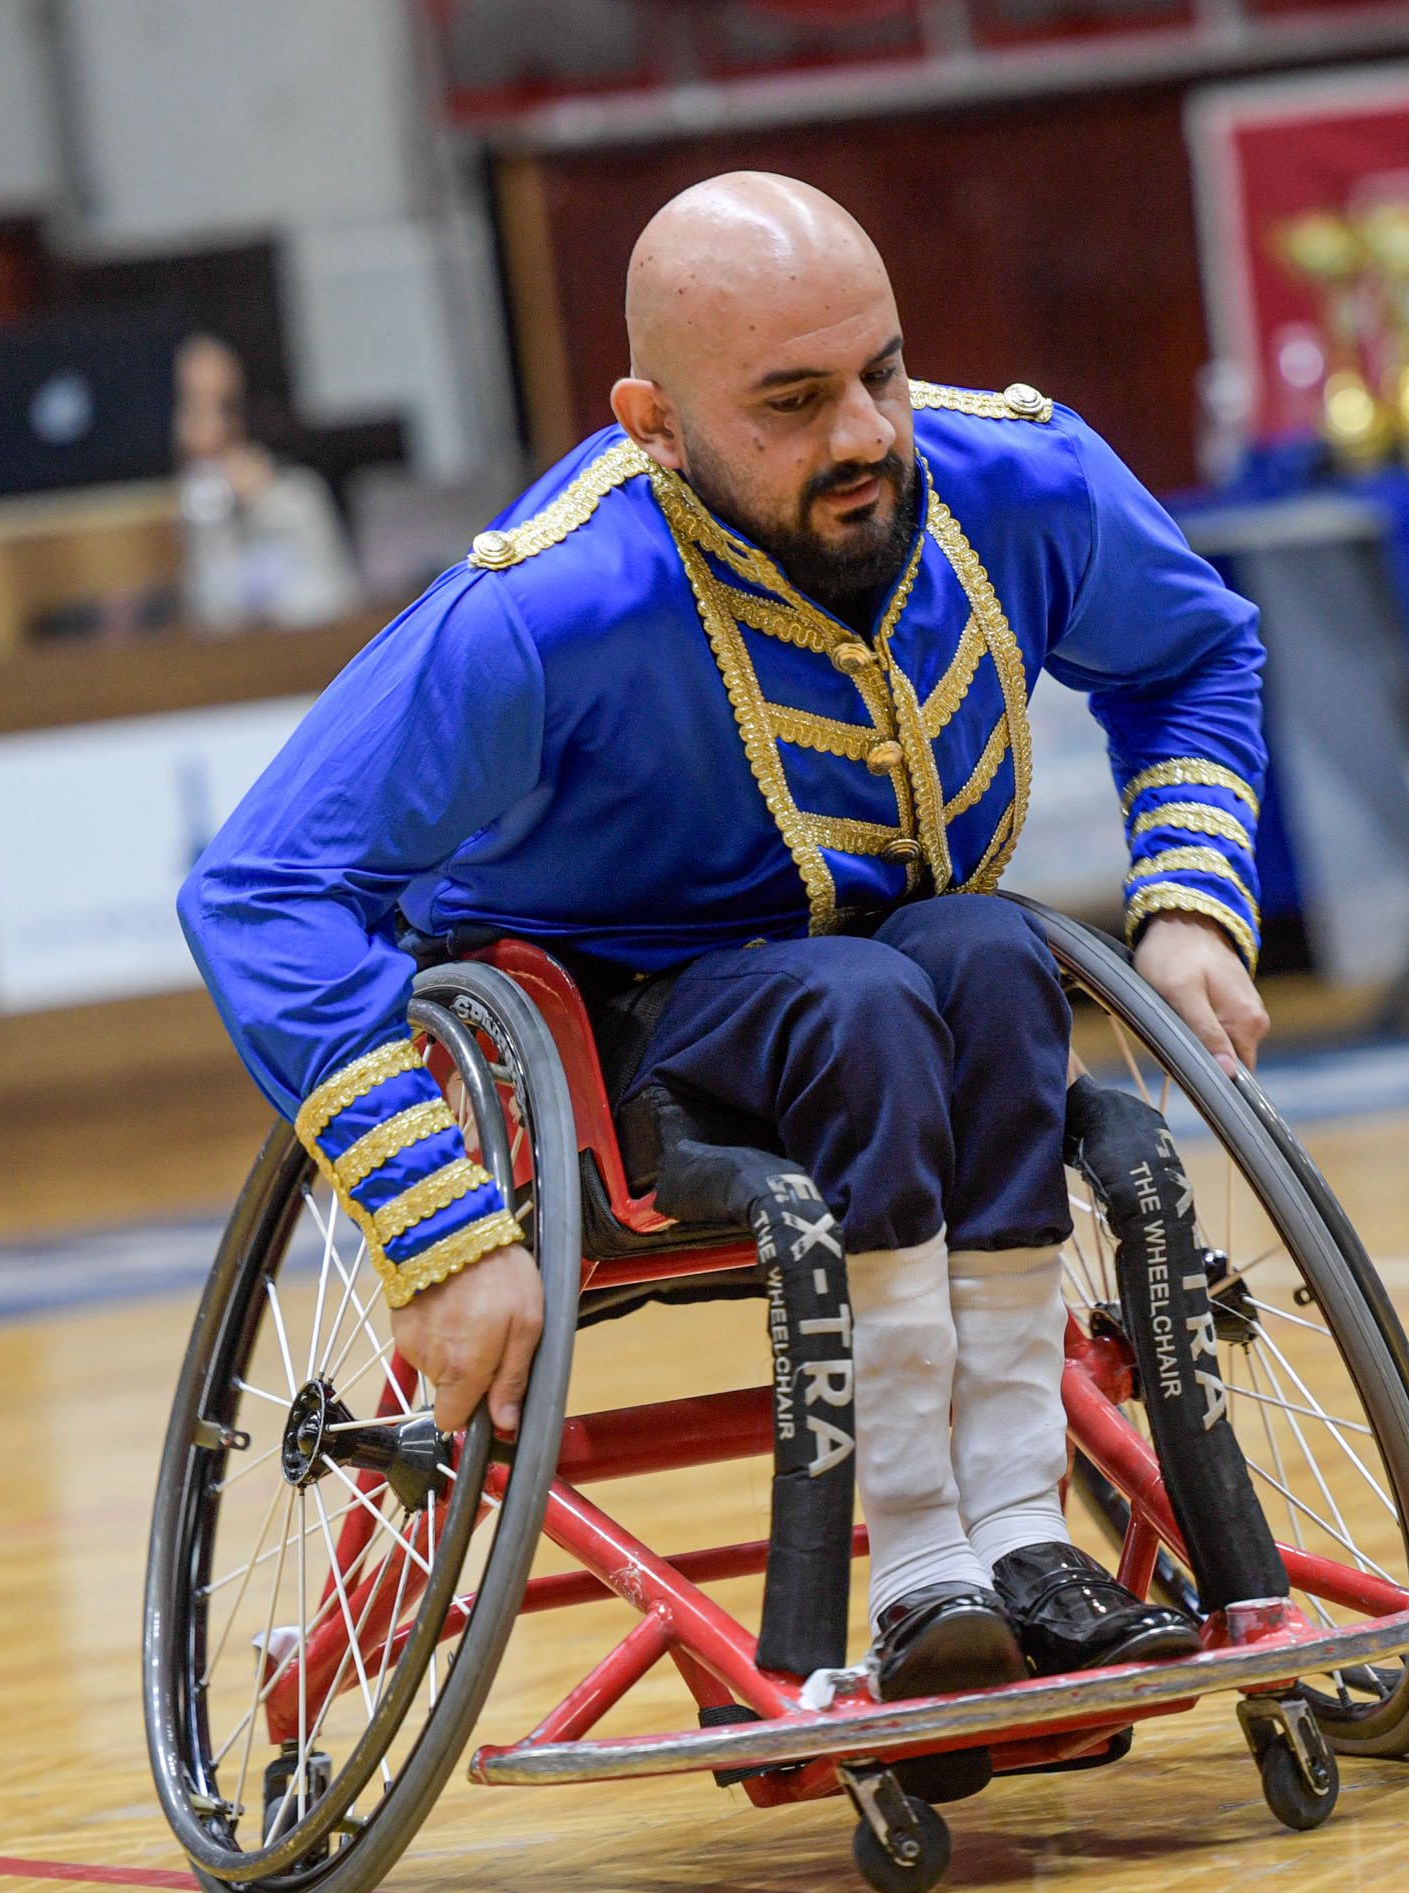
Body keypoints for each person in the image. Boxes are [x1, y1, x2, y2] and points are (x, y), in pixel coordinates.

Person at [179, 173, 1270, 1697]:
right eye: (793, 402)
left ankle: (1023, 1530)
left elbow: (1195, 653)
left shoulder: (1022, 480)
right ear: (656, 424)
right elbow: (263, 890)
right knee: (865, 998)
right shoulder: (546, 607)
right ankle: (925, 1568)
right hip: (630, 1048)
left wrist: (1192, 899)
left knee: (985, 954)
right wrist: (434, 1228)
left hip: (923, 987)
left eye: (882, 372)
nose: (866, 435)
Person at [174, 333, 362, 633]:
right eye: (194, 407)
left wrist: (260, 499)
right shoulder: (190, 503)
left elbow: (335, 602)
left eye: (222, 407)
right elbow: (208, 611)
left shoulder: (298, 497)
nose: (207, 425)